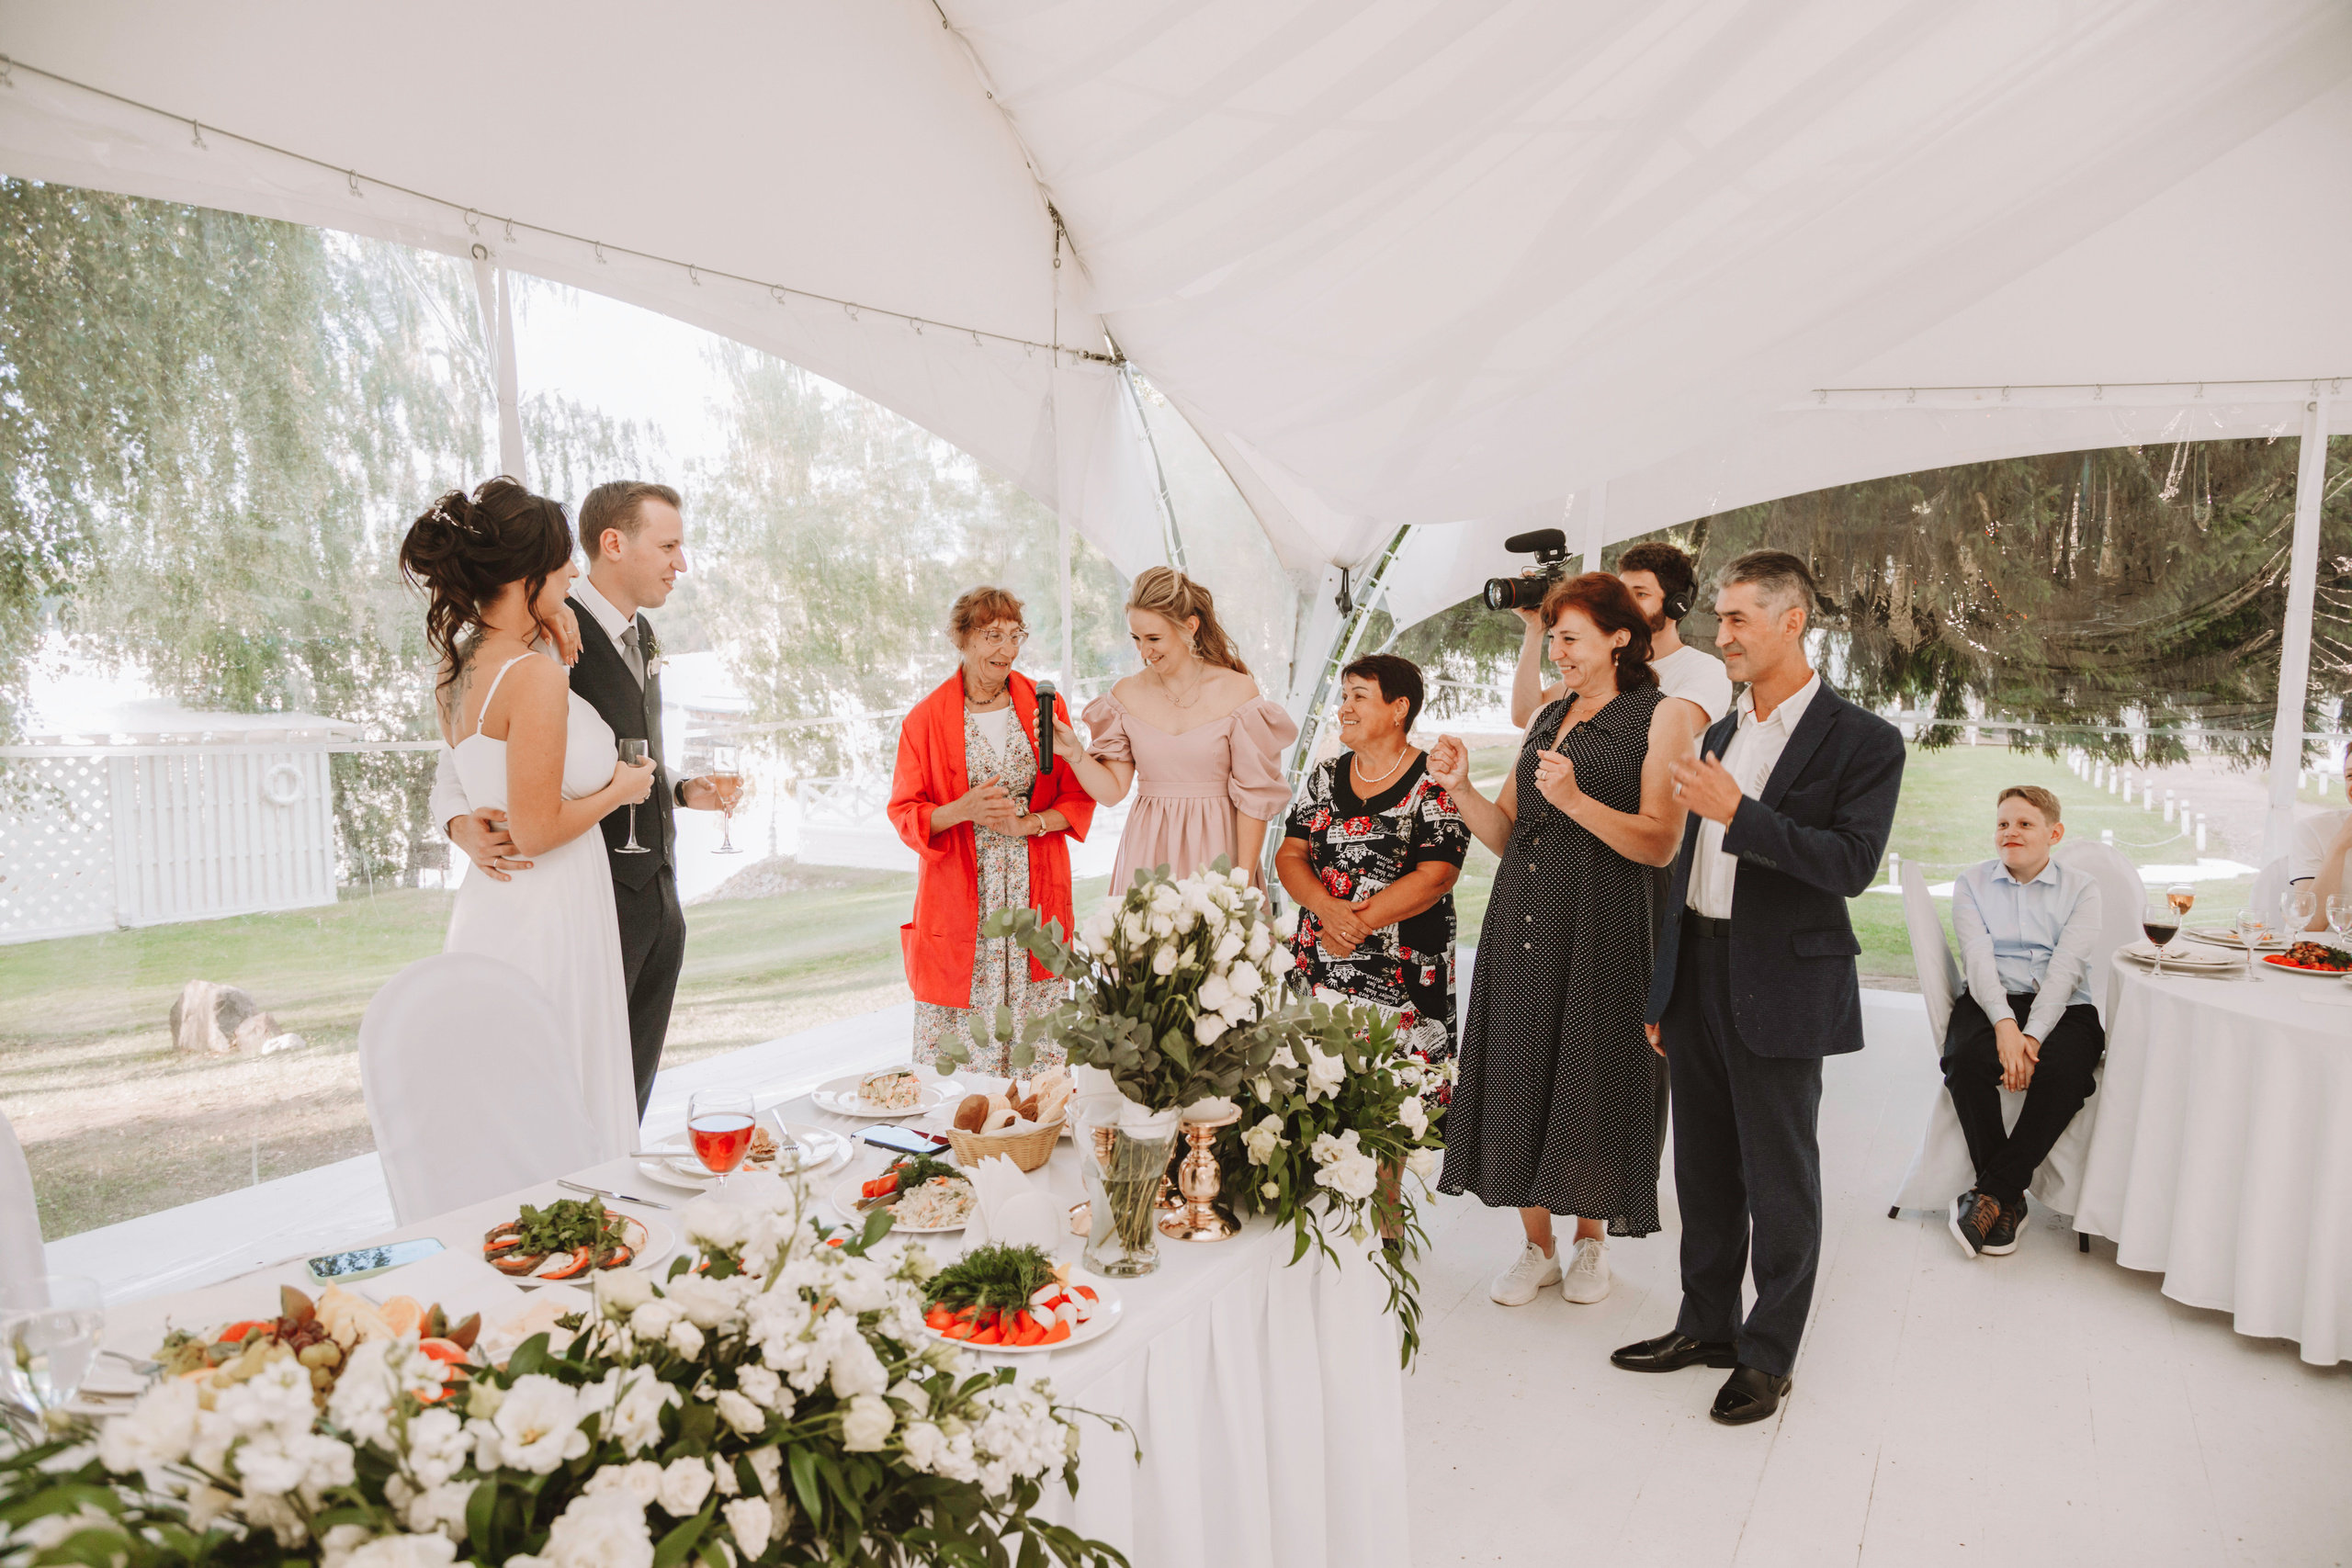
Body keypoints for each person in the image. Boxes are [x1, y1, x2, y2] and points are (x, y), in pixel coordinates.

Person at [1610, 550, 1905, 1428]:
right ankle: (1706, 1325)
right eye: (1721, 618)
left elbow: (1851, 865)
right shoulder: (1720, 730)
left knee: (1781, 1178)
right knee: (1699, 1168)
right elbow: (1682, 869)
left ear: (1791, 622)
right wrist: (1664, 988)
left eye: (1739, 619)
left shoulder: (1864, 740)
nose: (1720, 634)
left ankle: (1768, 1353)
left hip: (1782, 978)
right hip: (1698, 967)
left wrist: (1743, 813)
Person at [1426, 574, 1690, 1309]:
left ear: (1619, 637)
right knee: (1520, 1068)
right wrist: (1461, 790)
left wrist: (1577, 801)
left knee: (1593, 1071)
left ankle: (1591, 1240)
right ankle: (1536, 1247)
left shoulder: (1660, 716)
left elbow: (1662, 841)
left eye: (1569, 637)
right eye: (1554, 637)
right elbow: (1508, 831)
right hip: (1525, 916)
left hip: (1606, 920)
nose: (1559, 652)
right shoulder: (1547, 714)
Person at [432, 480, 725, 1117]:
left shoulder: (629, 632)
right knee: (561, 1106)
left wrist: (676, 789)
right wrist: (459, 823)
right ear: (613, 543)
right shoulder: (535, 640)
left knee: (620, 1104)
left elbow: (615, 748)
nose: (682, 562)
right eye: (669, 544)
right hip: (577, 906)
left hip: (653, 897)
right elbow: (460, 761)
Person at [401, 479, 655, 1157]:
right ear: (526, 574)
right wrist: (622, 790)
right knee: (564, 1098)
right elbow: (538, 829)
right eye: (563, 562)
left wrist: (460, 827)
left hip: (491, 907)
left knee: (504, 1106)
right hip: (554, 910)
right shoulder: (535, 677)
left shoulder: (454, 670)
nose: (574, 574)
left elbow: (463, 775)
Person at [889, 587, 1099, 1073]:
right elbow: (904, 813)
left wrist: (1030, 823)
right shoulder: (924, 721)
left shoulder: (1044, 707)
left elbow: (1077, 794)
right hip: (964, 899)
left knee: (1038, 1049)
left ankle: (1035, 1135)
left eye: (1014, 635)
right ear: (962, 639)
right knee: (961, 1061)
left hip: (1034, 890)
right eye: (992, 636)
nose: (1007, 650)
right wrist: (961, 809)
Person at [1274, 655, 1471, 1061]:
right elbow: (1290, 854)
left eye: (1358, 696)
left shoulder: (1436, 778)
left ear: (1399, 707)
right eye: (1344, 695)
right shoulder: (1324, 776)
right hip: (1320, 965)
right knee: (1313, 1094)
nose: (1344, 707)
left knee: (1403, 1107)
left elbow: (1437, 876)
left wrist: (1350, 926)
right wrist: (1326, 908)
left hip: (1401, 979)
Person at [1942, 785, 2105, 1258]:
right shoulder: (1970, 884)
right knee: (1967, 1061)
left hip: (2063, 1003)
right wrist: (2005, 1026)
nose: (2010, 832)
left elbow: (2066, 969)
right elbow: (1977, 961)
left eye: (2025, 824)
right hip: (1992, 997)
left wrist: (2031, 1033)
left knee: (2065, 1071)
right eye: (2002, 824)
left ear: (2054, 833)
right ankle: (2007, 1198)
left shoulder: (2082, 889)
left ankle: (1994, 1193)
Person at [1079, 567, 1298, 892]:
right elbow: (1112, 793)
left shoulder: (1238, 692)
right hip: (1147, 850)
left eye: (1154, 638)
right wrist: (1072, 752)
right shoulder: (1124, 696)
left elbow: (1253, 800)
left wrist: (1241, 882)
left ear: (1189, 626)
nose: (1144, 652)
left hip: (1218, 849)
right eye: (1136, 639)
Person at [1510, 540, 1733, 743]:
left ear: (1676, 605)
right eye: (1623, 594)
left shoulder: (1707, 670)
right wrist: (1535, 627)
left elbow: (1658, 735)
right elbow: (1526, 715)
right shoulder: (1610, 663)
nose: (1626, 605)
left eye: (1640, 594)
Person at [2287, 739, 2352, 931]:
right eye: (2351, 775)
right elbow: (2311, 923)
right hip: (2323, 955)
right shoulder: (2311, 830)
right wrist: (2339, 846)